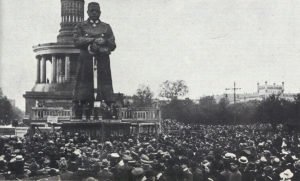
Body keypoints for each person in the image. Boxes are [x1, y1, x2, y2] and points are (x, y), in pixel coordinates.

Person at [73, 2, 116, 119]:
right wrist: (93, 40)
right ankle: (82, 108)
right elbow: (76, 41)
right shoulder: (80, 26)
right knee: (84, 85)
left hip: (102, 61)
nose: (94, 13)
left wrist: (105, 42)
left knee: (104, 84)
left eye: (96, 11)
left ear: (100, 13)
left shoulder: (106, 27)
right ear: (87, 12)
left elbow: (113, 44)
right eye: (92, 11)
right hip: (86, 61)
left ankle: (106, 107)